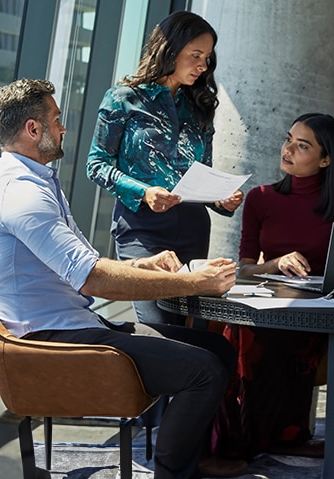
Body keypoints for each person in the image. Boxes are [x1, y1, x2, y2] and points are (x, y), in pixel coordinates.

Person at [0, 78, 247, 479]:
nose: (63, 129)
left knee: (215, 347)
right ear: (31, 128)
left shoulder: (34, 182)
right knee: (205, 369)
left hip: (72, 325)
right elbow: (95, 279)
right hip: (55, 342)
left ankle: (187, 457)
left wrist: (144, 266)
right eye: (56, 121)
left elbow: (82, 265)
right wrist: (191, 282)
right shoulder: (22, 195)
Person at [211, 112, 334, 461]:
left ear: (326, 159)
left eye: (301, 145)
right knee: (238, 329)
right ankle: (234, 442)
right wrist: (274, 264)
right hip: (270, 309)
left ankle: (284, 434)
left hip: (323, 317)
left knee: (262, 337)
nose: (287, 149)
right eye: (288, 139)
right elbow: (245, 268)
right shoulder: (260, 198)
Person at [86, 11, 243, 325]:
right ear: (170, 50)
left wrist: (222, 200)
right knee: (159, 324)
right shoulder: (123, 99)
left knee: (196, 324)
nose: (202, 65)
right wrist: (144, 192)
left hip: (194, 229)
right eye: (195, 55)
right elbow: (96, 164)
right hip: (141, 228)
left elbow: (203, 173)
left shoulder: (201, 106)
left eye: (207, 58)